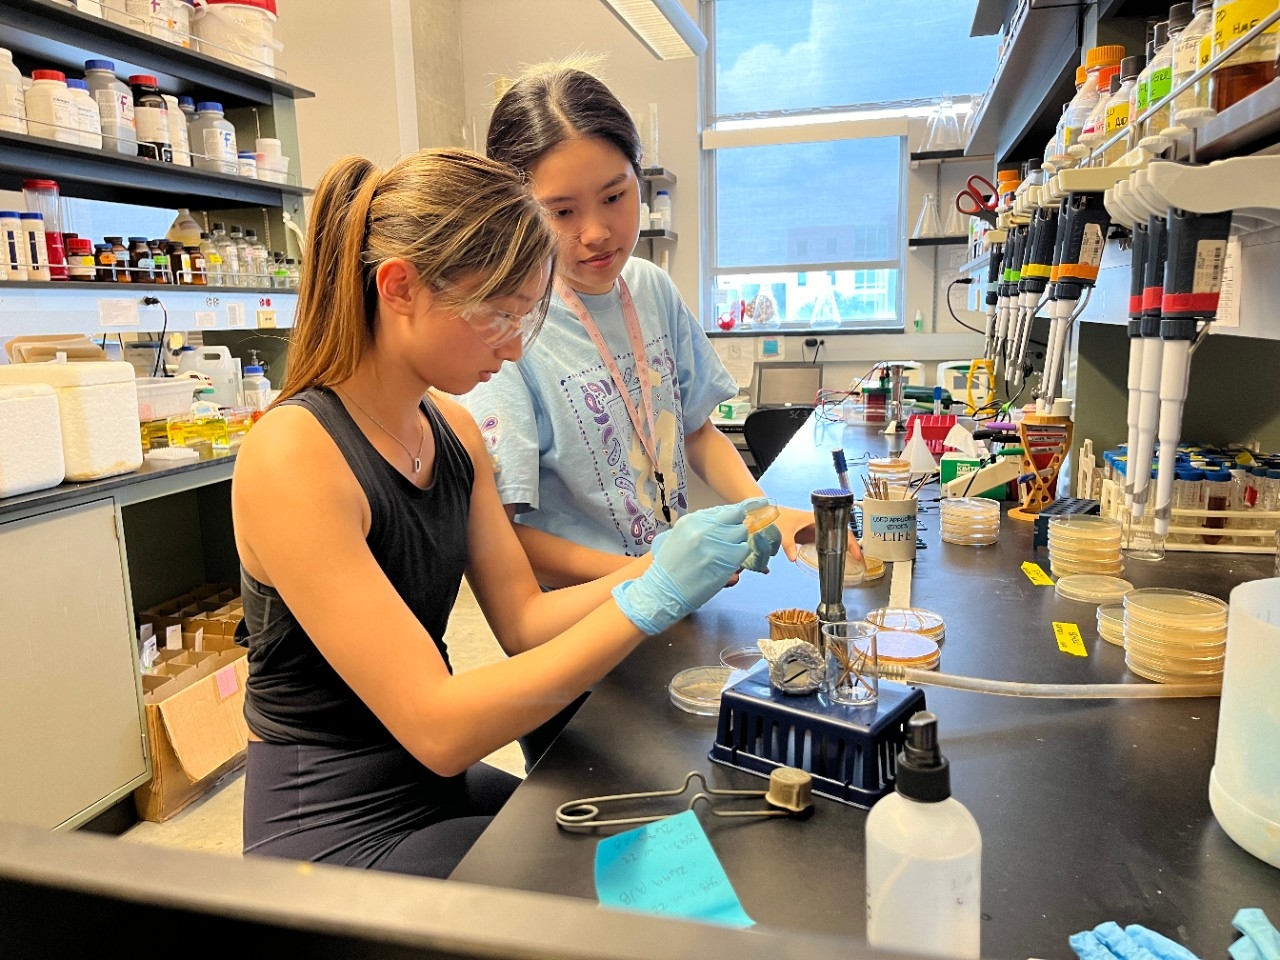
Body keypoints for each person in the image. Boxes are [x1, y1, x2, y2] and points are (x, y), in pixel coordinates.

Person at [231, 147, 762, 879]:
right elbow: (440, 725)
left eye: (526, 318)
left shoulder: (449, 430)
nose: (513, 349)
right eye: (496, 317)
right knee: (615, 895)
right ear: (399, 287)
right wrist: (650, 597)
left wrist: (665, 567)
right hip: (333, 824)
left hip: (427, 784)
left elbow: (521, 619)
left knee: (656, 847)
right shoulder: (294, 453)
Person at [459, 59, 824, 592]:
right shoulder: (513, 332)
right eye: (561, 213)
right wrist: (653, 575)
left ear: (639, 178)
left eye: (614, 196)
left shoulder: (649, 287)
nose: (597, 233)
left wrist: (764, 513)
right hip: (583, 621)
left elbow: (695, 430)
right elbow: (504, 534)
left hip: (670, 600)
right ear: (516, 212)